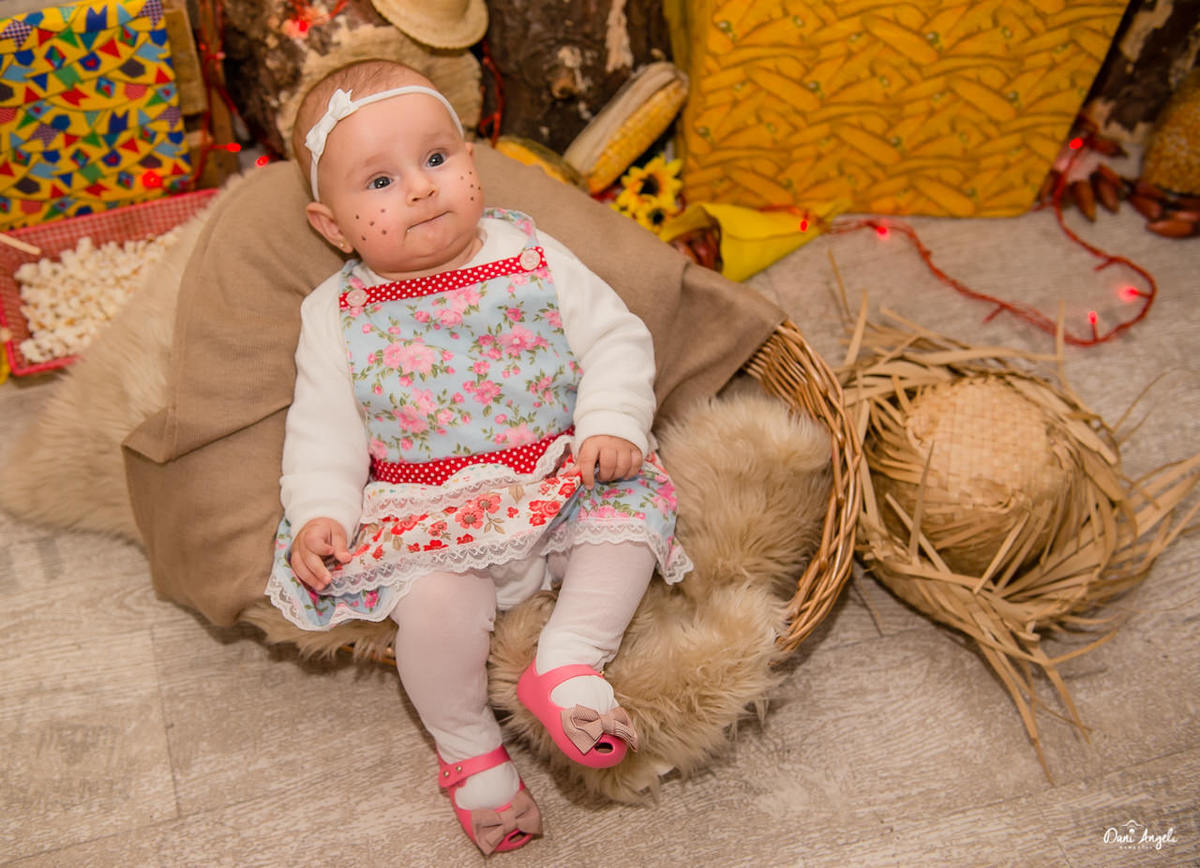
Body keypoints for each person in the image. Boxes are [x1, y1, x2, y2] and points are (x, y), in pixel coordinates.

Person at [264, 59, 692, 855]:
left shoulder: (531, 254)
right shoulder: (335, 313)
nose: (421, 189)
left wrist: (609, 422)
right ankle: (469, 749)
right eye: (381, 181)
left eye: (436, 158)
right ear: (333, 226)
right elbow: (322, 429)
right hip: (433, 513)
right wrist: (321, 511)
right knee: (434, 610)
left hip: (560, 477)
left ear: (470, 160)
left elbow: (615, 339)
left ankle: (568, 662)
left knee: (630, 520)